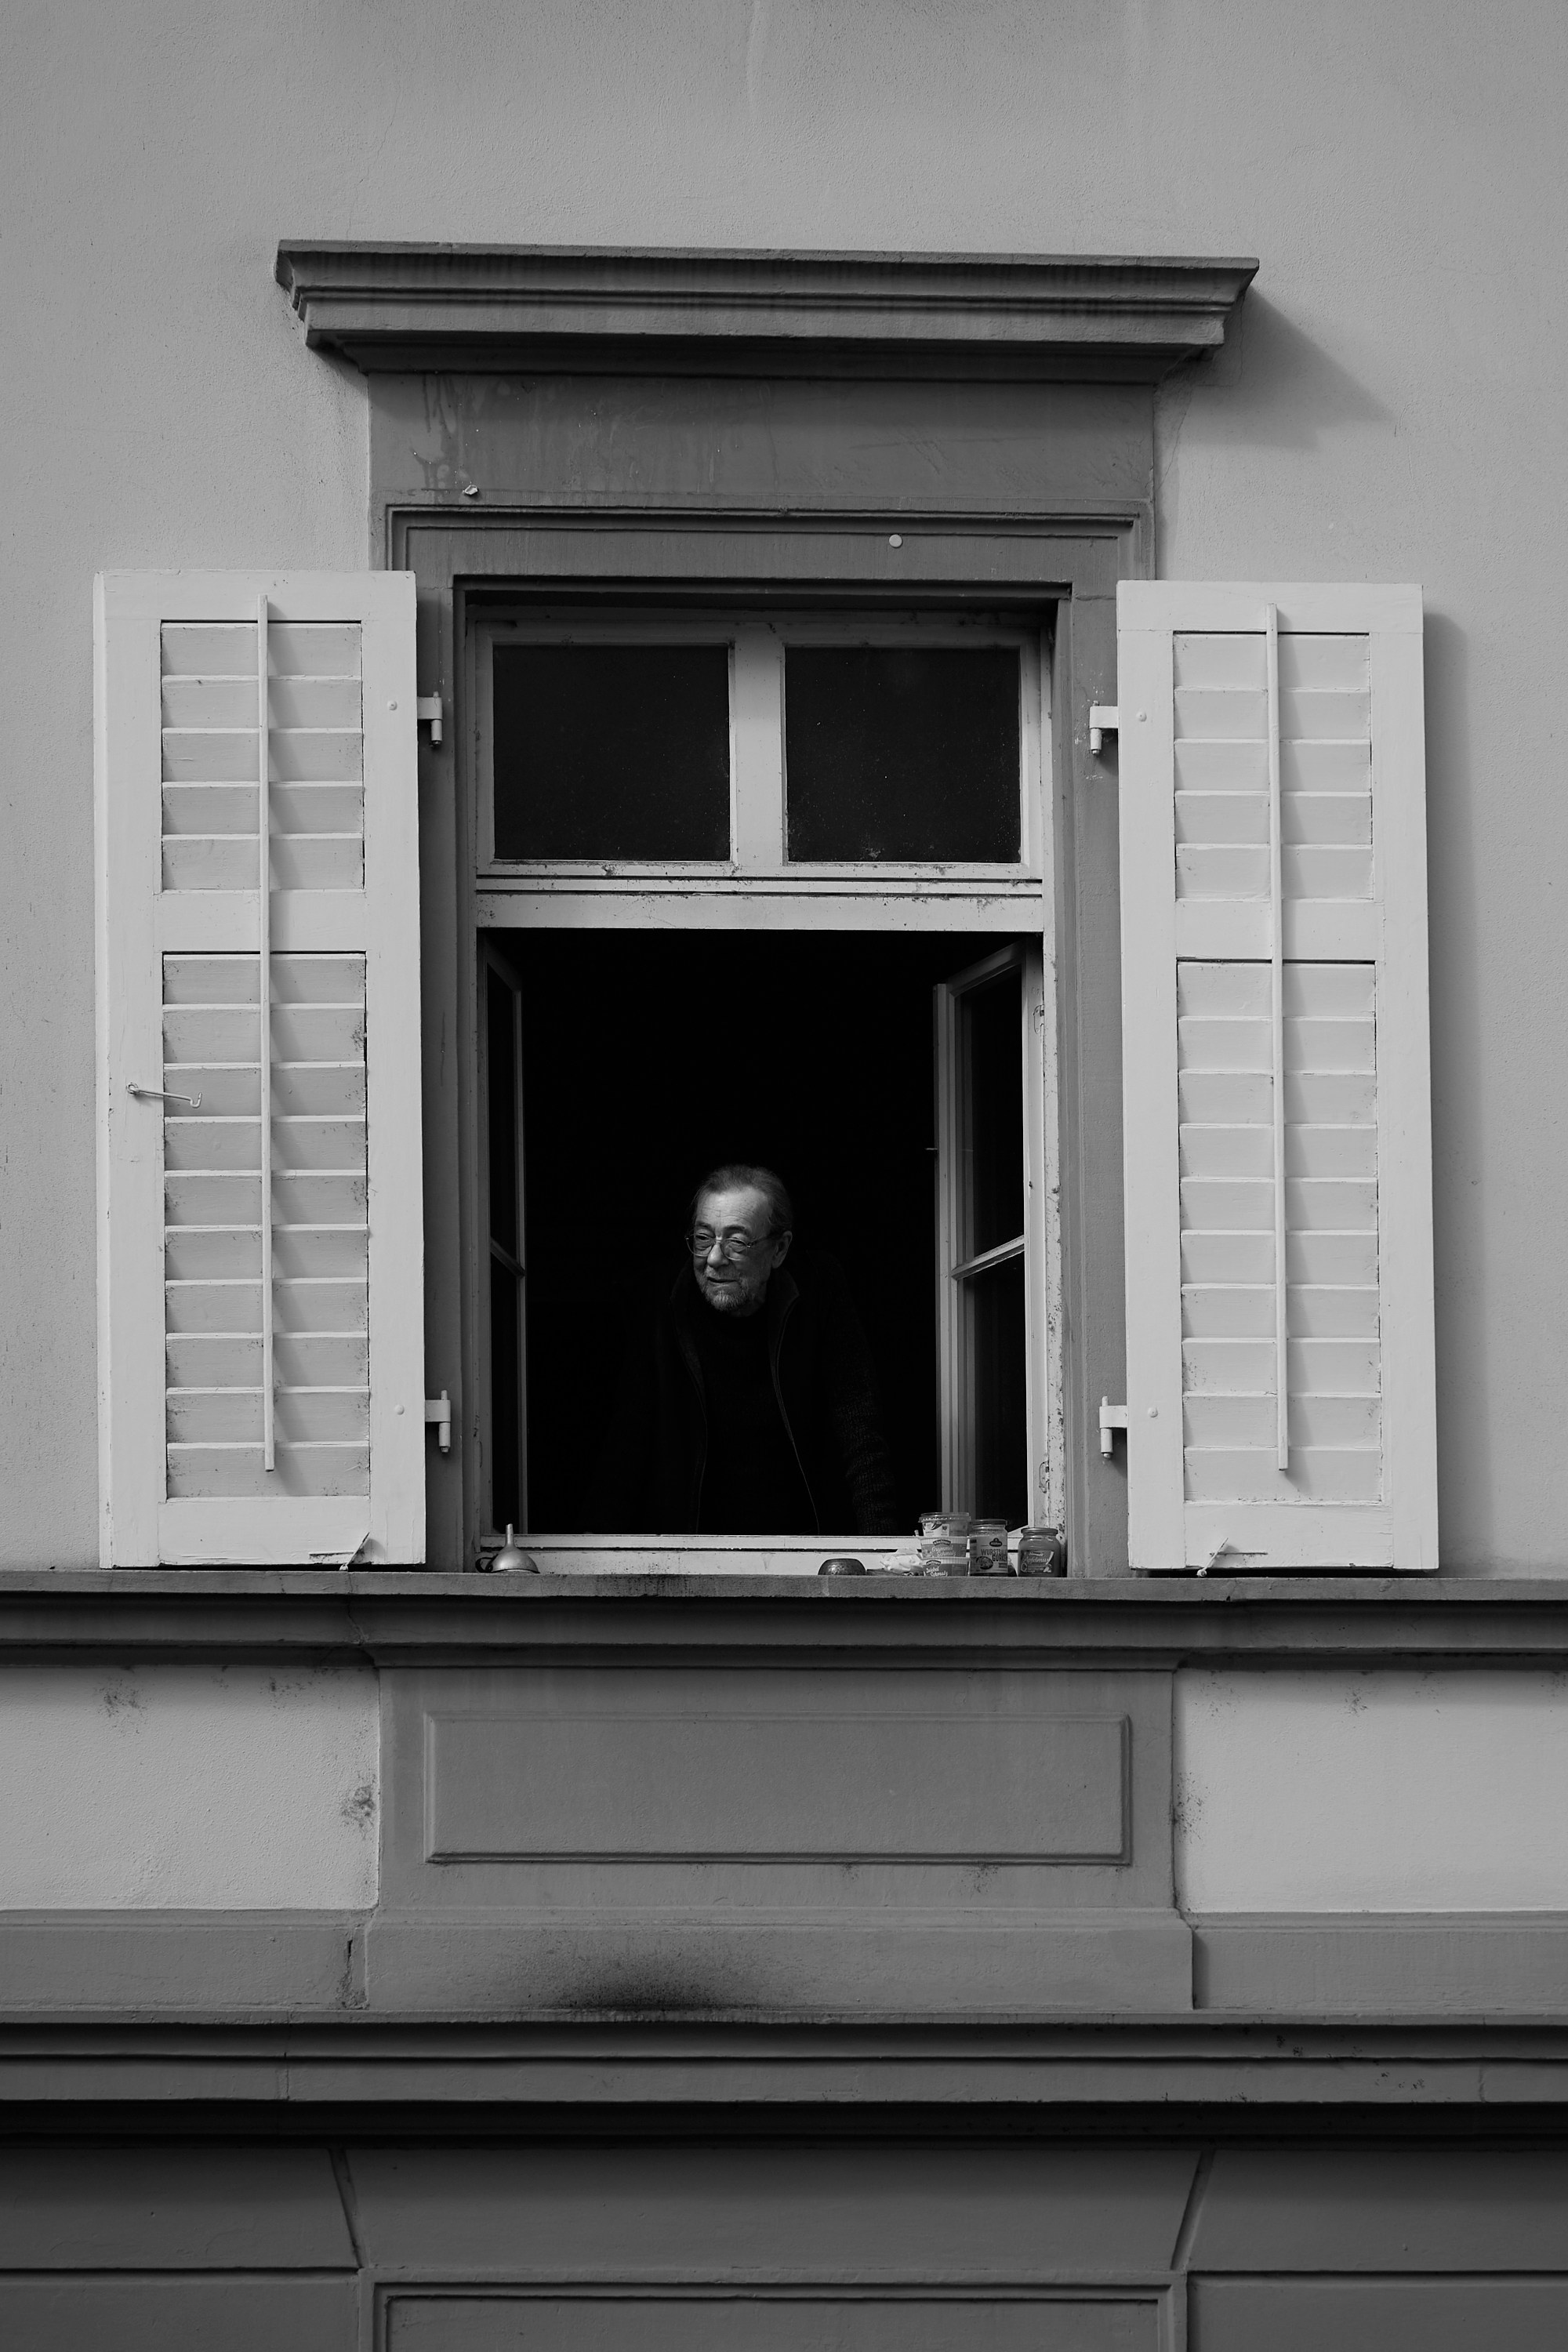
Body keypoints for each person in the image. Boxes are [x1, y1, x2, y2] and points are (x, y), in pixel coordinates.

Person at [591, 1163, 898, 1535]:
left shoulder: (820, 1290)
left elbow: (859, 1431)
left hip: (804, 1547)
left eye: (736, 1242)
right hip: (684, 1553)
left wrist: (882, 1551)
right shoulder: (659, 1303)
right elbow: (625, 1448)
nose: (714, 1259)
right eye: (703, 1239)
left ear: (779, 1249)